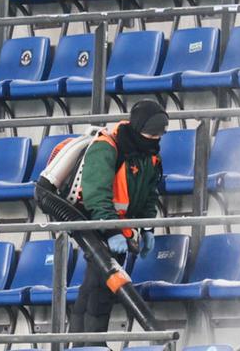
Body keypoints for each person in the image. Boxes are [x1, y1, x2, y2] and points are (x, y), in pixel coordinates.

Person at [72, 99, 168, 333]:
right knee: (99, 290)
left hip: (121, 231)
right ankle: (90, 346)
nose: (155, 138)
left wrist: (147, 227)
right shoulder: (107, 147)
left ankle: (83, 346)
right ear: (138, 128)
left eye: (159, 134)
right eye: (151, 132)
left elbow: (150, 193)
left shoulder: (151, 155)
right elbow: (96, 193)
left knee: (98, 288)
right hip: (98, 224)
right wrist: (112, 229)